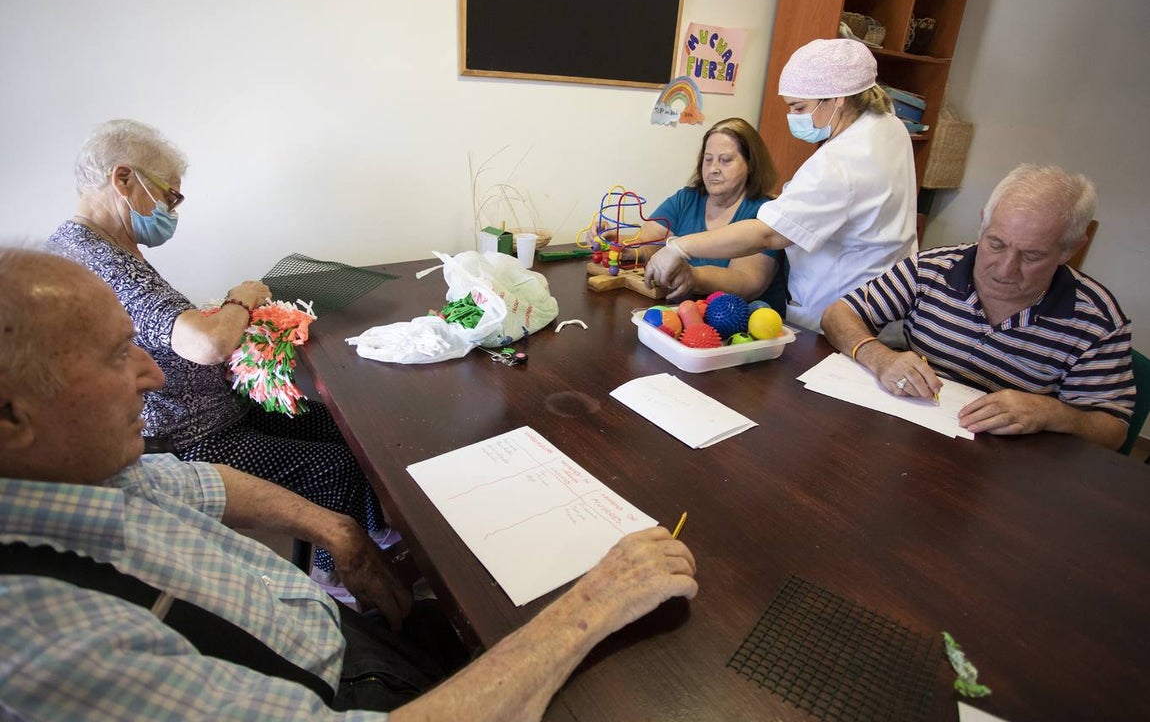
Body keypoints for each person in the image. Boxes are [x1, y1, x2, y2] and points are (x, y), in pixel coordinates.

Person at [0, 247, 699, 720]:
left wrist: (337, 530)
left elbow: (195, 482)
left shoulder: (85, 479)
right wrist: (594, 603)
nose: (152, 374)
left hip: (323, 633)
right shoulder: (47, 643)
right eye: (117, 357)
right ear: (11, 417)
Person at [46, 119, 383, 575]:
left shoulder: (94, 245)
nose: (171, 210)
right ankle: (339, 577)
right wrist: (239, 300)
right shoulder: (99, 260)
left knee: (343, 427)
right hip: (190, 437)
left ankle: (375, 535)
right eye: (170, 196)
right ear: (123, 179)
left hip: (216, 410)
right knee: (334, 466)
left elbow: (159, 330)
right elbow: (208, 345)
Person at [821, 164, 1135, 449]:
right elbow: (839, 314)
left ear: (1070, 250)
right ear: (983, 223)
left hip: (1009, 463)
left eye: (1032, 256)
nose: (1005, 269)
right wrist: (879, 357)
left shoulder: (1097, 321)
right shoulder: (931, 269)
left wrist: (1053, 413)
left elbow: (1113, 431)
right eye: (996, 244)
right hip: (912, 436)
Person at [644, 38, 918, 332]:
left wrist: (680, 247)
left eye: (799, 107)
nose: (793, 118)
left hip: (843, 310)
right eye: (708, 159)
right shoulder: (888, 125)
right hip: (885, 296)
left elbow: (768, 235)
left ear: (838, 98)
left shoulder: (840, 163)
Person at [622, 117, 788, 314]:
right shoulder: (686, 199)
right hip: (688, 314)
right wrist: (622, 245)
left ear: (751, 164)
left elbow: (748, 281)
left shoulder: (765, 212)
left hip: (744, 323)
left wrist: (694, 277)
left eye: (725, 160)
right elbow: (649, 241)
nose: (713, 169)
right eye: (708, 160)